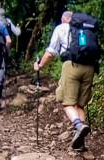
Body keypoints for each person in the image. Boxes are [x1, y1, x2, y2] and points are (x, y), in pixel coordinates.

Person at [34, 11, 94, 151]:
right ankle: (80, 142)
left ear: (63, 20)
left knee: (67, 102)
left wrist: (40, 65)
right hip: (90, 67)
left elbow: (51, 52)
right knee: (80, 105)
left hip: (71, 66)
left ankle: (78, 125)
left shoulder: (61, 28)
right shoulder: (86, 29)